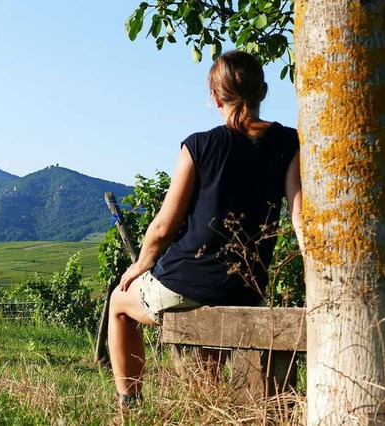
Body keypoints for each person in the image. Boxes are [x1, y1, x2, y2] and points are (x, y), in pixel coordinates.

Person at [108, 50, 303, 407]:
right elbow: (299, 216)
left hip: (187, 282)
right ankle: (208, 407)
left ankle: (130, 404)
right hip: (247, 289)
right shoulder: (289, 143)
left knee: (118, 302)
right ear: (264, 91)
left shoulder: (199, 145)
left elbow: (165, 227)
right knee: (208, 351)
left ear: (215, 98)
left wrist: (139, 266)